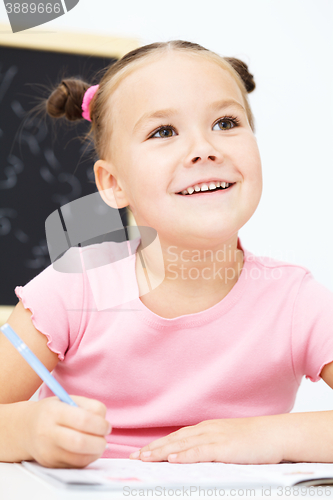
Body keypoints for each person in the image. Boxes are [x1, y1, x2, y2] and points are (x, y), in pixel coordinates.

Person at [1, 40, 333, 469]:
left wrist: (270, 435)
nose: (204, 148)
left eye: (226, 122)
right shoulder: (73, 287)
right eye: (163, 132)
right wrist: (26, 432)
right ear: (113, 184)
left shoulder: (296, 301)